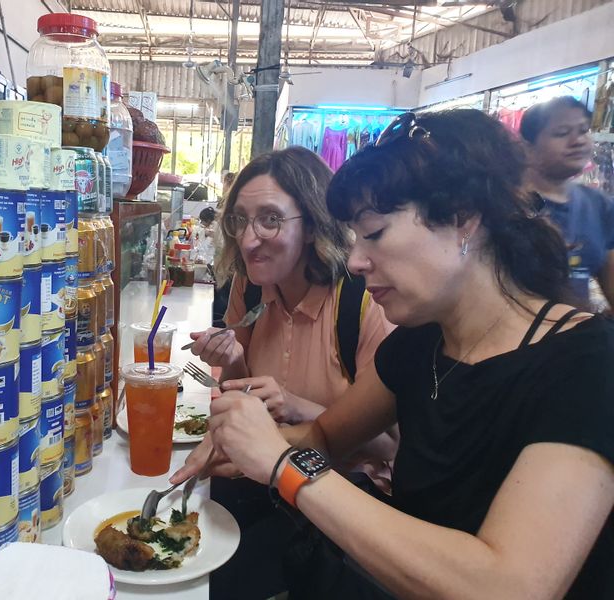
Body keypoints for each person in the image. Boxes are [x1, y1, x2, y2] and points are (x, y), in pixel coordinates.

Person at [174, 110, 614, 599]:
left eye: (375, 233)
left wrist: (282, 463)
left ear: (464, 217)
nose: (357, 261)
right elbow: (322, 436)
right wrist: (240, 444)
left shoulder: (587, 363)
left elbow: (509, 586)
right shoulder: (420, 340)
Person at [186, 146, 397, 600]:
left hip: (338, 501)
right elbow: (240, 395)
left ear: (314, 223)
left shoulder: (364, 303)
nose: (248, 240)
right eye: (240, 220)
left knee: (219, 582)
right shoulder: (251, 283)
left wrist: (298, 407)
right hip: (266, 480)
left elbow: (392, 447)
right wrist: (232, 363)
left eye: (270, 219)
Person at [520, 96, 614, 309]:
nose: (578, 140)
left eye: (583, 130)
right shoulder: (505, 205)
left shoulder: (598, 206)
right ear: (528, 147)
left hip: (575, 336)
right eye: (562, 133)